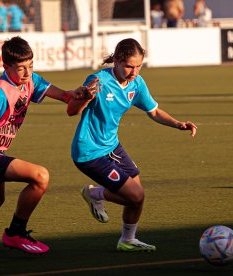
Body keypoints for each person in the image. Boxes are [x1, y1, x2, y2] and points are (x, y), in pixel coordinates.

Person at [0, 36, 99, 254]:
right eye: (21, 68)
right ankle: (15, 234)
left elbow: (66, 97)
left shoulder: (30, 81)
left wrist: (80, 93)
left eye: (31, 66)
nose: (27, 73)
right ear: (5, 66)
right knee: (40, 176)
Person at [71, 38, 197, 252]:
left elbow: (154, 111)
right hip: (89, 152)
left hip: (111, 146)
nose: (134, 72)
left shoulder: (136, 83)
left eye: (138, 66)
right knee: (136, 195)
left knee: (136, 194)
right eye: (129, 66)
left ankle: (127, 240)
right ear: (117, 61)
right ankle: (95, 194)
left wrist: (178, 124)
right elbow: (71, 111)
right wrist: (83, 98)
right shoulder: (98, 80)